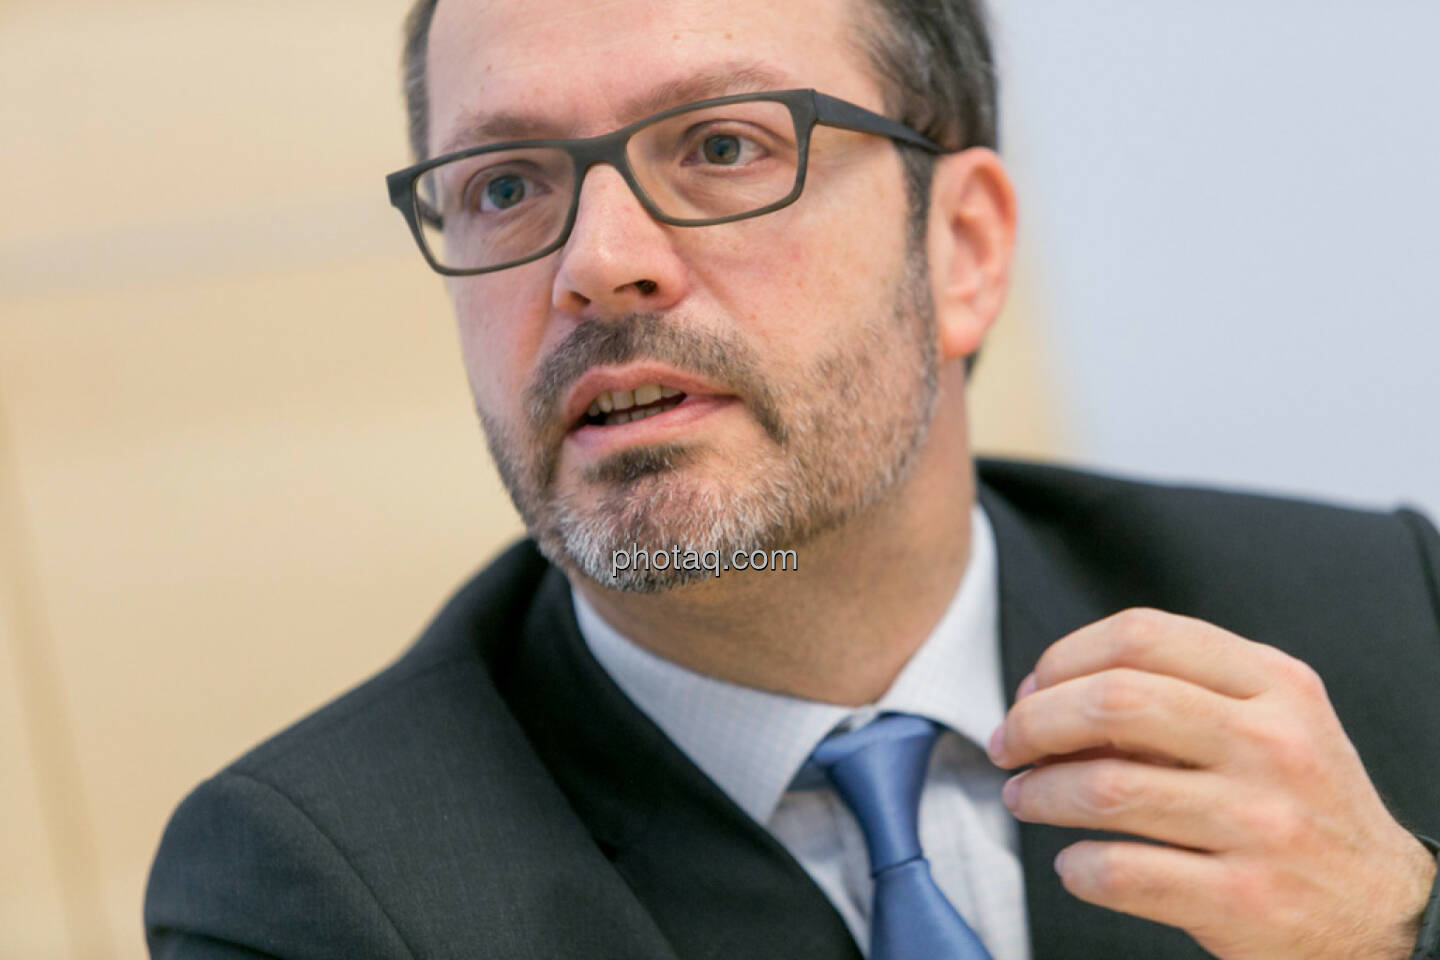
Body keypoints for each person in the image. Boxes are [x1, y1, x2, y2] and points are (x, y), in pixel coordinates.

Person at [144, 0, 1440, 957]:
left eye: (721, 147)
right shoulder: (319, 889)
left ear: (962, 248)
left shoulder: (1382, 618)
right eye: (505, 186)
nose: (596, 262)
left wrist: (1396, 928)